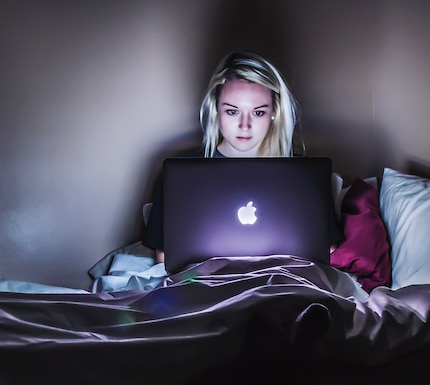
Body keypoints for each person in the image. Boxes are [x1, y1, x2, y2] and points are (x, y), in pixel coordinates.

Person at [143, 51, 345, 264]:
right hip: (208, 286)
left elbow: (326, 250)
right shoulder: (180, 176)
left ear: (274, 112)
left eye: (258, 112)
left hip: (282, 283)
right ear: (215, 110)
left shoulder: (304, 176)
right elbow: (165, 257)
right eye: (232, 111)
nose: (245, 125)